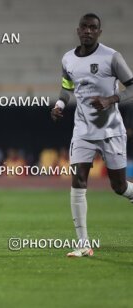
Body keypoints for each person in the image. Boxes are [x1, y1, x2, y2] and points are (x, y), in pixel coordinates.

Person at [51, 13, 133, 257]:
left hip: (111, 131)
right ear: (78, 30)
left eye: (93, 28)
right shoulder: (68, 59)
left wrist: (110, 99)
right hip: (83, 130)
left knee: (118, 186)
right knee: (78, 182)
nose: (88, 31)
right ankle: (84, 244)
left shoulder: (112, 57)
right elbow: (67, 87)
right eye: (84, 27)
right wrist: (60, 105)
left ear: (99, 32)